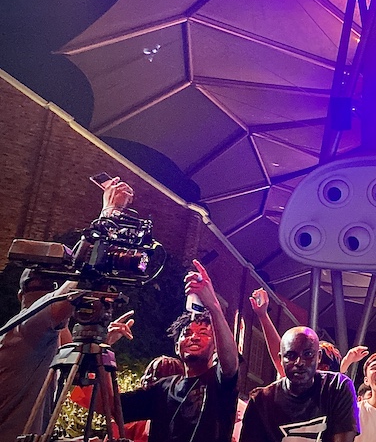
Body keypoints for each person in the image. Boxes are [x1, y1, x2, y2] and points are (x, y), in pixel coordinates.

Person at [0, 176, 133, 440]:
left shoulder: (41, 342)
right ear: (21, 297)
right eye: (41, 288)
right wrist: (109, 215)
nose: (47, 294)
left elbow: (67, 359)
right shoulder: (24, 330)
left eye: (51, 286)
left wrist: (102, 341)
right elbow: (73, 288)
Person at [118, 260, 240, 442]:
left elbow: (230, 364)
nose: (194, 337)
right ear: (177, 346)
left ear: (216, 347)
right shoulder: (162, 389)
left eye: (204, 333)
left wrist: (214, 307)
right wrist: (102, 348)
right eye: (187, 333)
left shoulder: (220, 383)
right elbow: (112, 405)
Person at [239, 326, 359, 442]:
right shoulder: (262, 401)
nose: (299, 362)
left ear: (319, 357)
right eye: (291, 356)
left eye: (308, 354)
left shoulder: (337, 386)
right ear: (281, 359)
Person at [249, 287, 369, 377]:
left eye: (308, 354)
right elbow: (279, 356)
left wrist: (263, 315)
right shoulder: (296, 381)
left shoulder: (331, 393)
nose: (299, 362)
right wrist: (263, 315)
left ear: (323, 366)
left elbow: (277, 356)